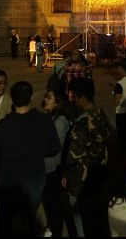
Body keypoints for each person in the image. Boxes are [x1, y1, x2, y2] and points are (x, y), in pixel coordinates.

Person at [0, 81, 62, 235]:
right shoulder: (44, 121)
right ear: (31, 98)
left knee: (8, 222)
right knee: (28, 219)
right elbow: (54, 148)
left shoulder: (2, 125)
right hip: (34, 181)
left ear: (12, 99)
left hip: (8, 182)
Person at [61, 77, 113, 237]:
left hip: (82, 177)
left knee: (79, 219)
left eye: (74, 97)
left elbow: (73, 154)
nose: (73, 100)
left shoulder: (82, 122)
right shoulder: (100, 113)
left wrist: (65, 173)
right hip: (101, 173)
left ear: (82, 98)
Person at [41, 89, 75, 237]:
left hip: (54, 171)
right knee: (55, 207)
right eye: (46, 97)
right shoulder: (51, 119)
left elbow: (57, 150)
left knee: (55, 208)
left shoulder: (60, 122)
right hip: (50, 170)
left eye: (49, 98)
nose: (45, 100)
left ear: (57, 103)